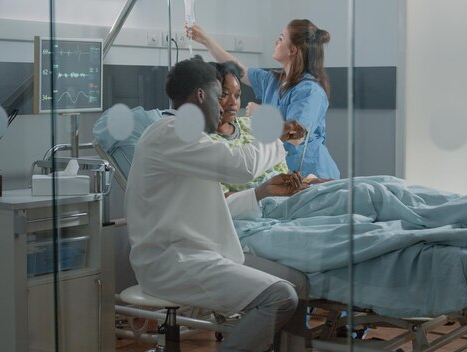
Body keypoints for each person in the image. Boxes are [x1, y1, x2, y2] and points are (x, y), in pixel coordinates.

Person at [124, 56, 309, 351]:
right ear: (200, 95)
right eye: (218, 95)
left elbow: (214, 206)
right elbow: (243, 166)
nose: (223, 105)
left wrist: (260, 193)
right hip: (173, 262)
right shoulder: (171, 134)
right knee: (281, 296)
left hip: (201, 253)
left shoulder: (189, 137)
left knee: (298, 283)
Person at [189, 19, 340, 180]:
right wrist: (205, 40)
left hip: (312, 175)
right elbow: (237, 68)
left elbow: (297, 135)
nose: (276, 42)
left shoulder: (310, 91)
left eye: (281, 38)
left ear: (293, 50)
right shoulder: (273, 81)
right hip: (283, 174)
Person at [209, 60, 291, 194]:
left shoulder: (250, 125)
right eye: (224, 94)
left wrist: (305, 182)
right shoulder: (207, 143)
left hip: (290, 195)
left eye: (237, 95)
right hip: (263, 206)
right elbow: (223, 200)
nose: (233, 102)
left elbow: (283, 170)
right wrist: (264, 192)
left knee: (334, 190)